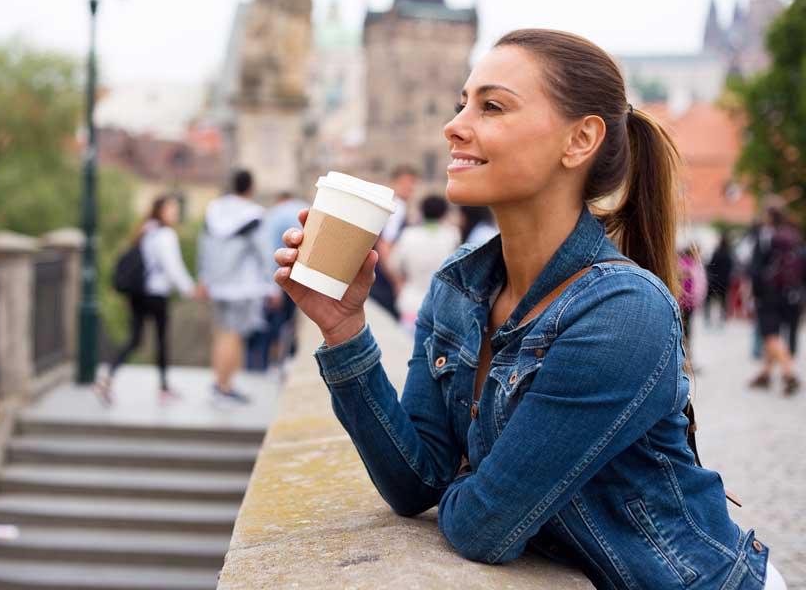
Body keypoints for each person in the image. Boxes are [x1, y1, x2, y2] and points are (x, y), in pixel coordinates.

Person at [274, 29, 784, 589]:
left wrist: (473, 486)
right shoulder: (460, 285)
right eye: (461, 103)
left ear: (579, 140)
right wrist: (344, 328)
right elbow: (415, 483)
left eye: (491, 106)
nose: (454, 125)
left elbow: (484, 527)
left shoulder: (622, 311)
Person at [96, 194, 198, 405]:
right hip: (156, 293)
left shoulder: (146, 231)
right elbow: (173, 267)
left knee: (134, 339)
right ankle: (163, 388)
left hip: (139, 293)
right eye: (171, 209)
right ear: (160, 211)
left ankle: (108, 377)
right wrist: (189, 289)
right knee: (161, 340)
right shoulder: (165, 235)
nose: (175, 213)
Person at [198, 169, 275, 406]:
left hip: (217, 285)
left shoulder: (214, 210)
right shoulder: (254, 215)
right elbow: (264, 253)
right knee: (235, 336)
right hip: (243, 287)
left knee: (221, 333)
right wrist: (273, 286)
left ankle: (219, 382)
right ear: (251, 188)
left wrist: (204, 278)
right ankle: (225, 387)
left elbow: (204, 246)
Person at [246, 191, 309, 374]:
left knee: (269, 325)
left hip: (279, 276)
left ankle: (262, 366)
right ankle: (285, 361)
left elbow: (268, 253)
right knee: (288, 323)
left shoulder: (274, 214)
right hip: (301, 278)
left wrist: (272, 287)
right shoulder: (304, 207)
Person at [748, 205, 802, 396]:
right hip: (790, 293)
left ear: (768, 217)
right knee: (774, 332)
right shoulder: (792, 235)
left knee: (770, 334)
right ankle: (765, 373)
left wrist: (753, 292)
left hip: (769, 293)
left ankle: (789, 373)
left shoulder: (765, 236)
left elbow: (755, 269)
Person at [390, 195, 460, 331]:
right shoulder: (452, 235)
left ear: (421, 211)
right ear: (444, 213)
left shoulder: (408, 235)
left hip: (411, 304)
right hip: (441, 307)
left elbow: (394, 265)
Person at [369, 166, 417, 320]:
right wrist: (397, 281)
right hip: (384, 279)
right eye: (405, 183)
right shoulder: (397, 207)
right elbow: (385, 245)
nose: (410, 188)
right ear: (394, 183)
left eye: (412, 183)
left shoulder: (392, 206)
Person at [677, 244, 707, 364]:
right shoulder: (685, 264)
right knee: (685, 331)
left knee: (688, 331)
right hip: (684, 303)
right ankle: (684, 358)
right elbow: (683, 281)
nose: (699, 254)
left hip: (691, 303)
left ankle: (687, 358)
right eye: (697, 252)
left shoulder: (694, 264)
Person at [704, 232, 735, 327]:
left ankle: (708, 317)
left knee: (709, 300)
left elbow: (710, 265)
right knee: (724, 301)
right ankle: (723, 317)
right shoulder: (729, 254)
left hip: (714, 280)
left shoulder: (716, 253)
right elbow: (731, 268)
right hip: (725, 281)